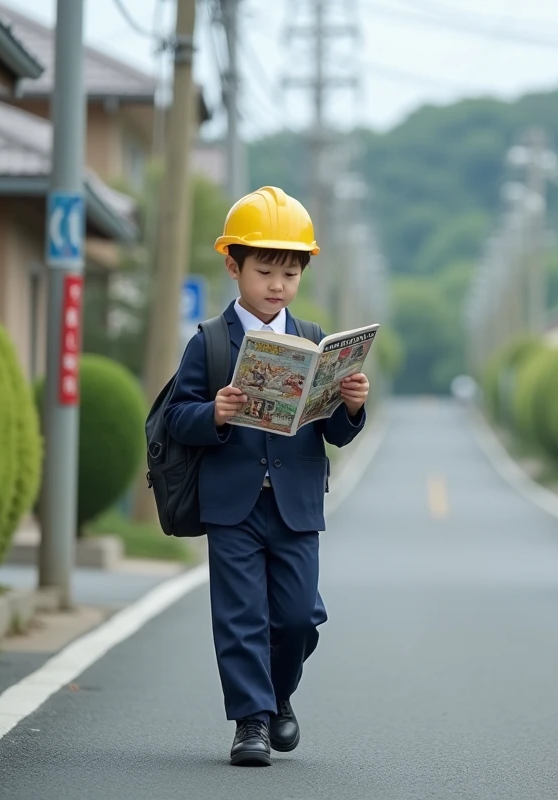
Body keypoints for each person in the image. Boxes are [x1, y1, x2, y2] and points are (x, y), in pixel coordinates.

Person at [164, 186, 369, 767]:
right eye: (265, 270)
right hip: (231, 503)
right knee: (240, 618)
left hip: (296, 503)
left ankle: (279, 697)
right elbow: (178, 417)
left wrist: (351, 405)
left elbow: (334, 433)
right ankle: (250, 723)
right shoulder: (209, 342)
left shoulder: (312, 340)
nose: (277, 284)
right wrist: (216, 414)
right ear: (234, 265)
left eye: (289, 272)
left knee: (299, 615)